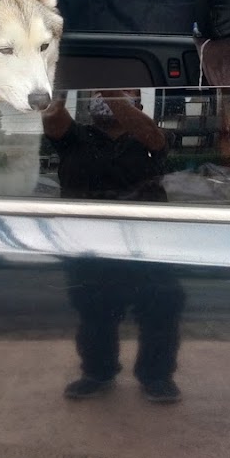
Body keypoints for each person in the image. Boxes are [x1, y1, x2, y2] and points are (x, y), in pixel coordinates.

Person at [42, 90, 184, 402]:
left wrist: (111, 92)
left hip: (148, 247)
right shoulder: (76, 137)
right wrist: (57, 84)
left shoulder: (148, 138)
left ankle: (157, 378)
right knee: (94, 315)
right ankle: (97, 373)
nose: (103, 97)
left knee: (160, 312)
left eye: (124, 93)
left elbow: (153, 137)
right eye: (96, 92)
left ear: (138, 105)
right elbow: (53, 118)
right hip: (88, 248)